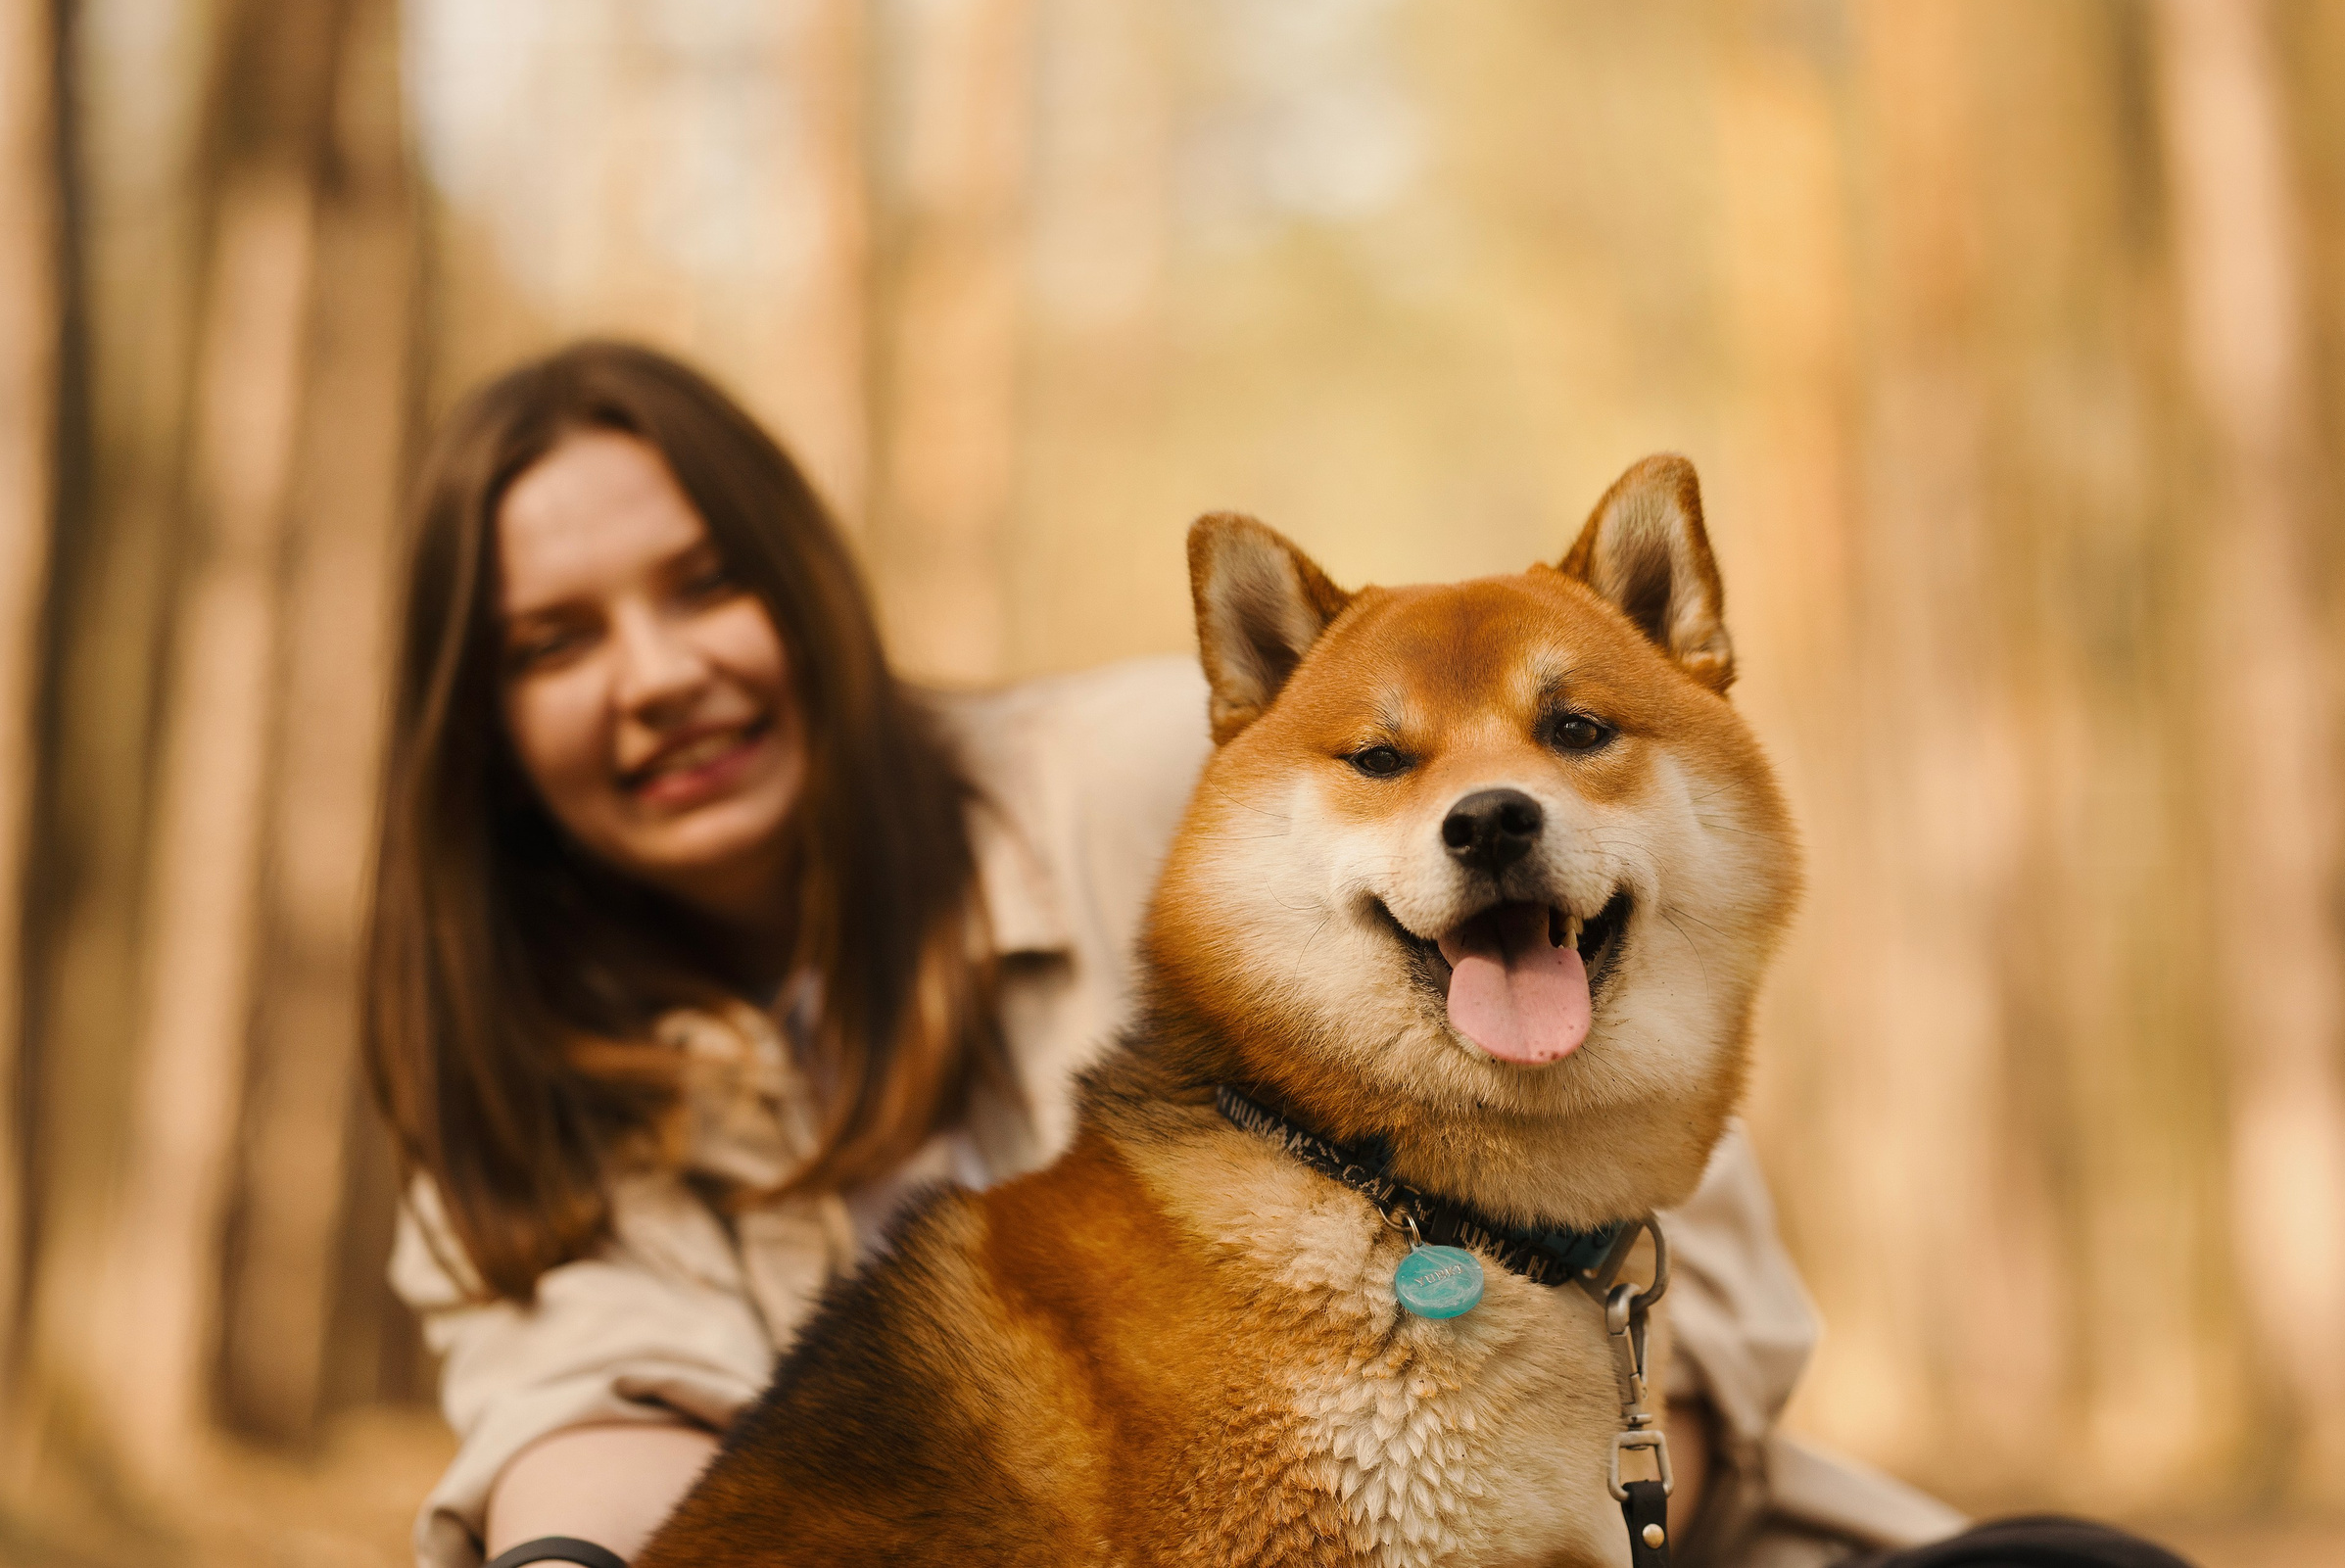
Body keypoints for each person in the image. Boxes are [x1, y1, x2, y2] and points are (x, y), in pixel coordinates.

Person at [368, 341, 2157, 1568]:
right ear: (480, 715)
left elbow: (1710, 1281)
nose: (657, 670)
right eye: (551, 639)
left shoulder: (1188, 769)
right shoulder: (509, 1085)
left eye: (702, 584)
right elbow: (588, 1421)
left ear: (808, 586)